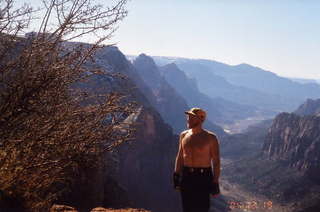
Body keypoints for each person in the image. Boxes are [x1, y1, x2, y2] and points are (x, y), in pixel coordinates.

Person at [173, 107, 221, 212]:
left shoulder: (211, 138)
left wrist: (215, 182)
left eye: (192, 117)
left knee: (202, 208)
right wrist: (176, 175)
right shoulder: (183, 135)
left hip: (203, 177)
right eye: (188, 117)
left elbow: (216, 162)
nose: (188, 119)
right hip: (187, 176)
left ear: (201, 119)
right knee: (187, 208)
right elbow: (180, 156)